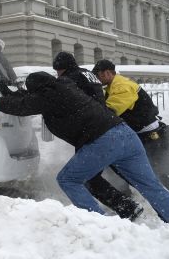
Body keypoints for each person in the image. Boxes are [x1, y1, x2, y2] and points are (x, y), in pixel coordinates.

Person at [0, 72, 169, 225]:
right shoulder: (64, 87)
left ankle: (97, 223)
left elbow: (23, 106)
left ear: (38, 89)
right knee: (151, 187)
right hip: (126, 135)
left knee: (68, 179)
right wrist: (7, 91)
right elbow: (27, 99)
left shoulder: (48, 96)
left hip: (104, 141)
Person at [92, 59, 169, 206]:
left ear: (107, 73)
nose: (97, 79)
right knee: (121, 164)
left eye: (98, 75)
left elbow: (110, 111)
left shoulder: (123, 86)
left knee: (164, 169)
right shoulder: (112, 87)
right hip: (140, 136)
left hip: (150, 137)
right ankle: (132, 196)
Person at [52, 52, 142, 221]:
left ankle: (119, 210)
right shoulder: (88, 75)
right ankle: (127, 204)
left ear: (63, 69)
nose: (57, 75)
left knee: (85, 177)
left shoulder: (70, 79)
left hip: (91, 133)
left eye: (58, 71)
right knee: (106, 172)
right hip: (104, 129)